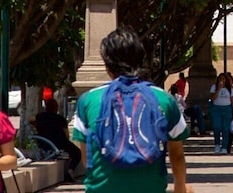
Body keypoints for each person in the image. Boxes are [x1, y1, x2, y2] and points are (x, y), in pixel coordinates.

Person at [70, 28, 192, 193]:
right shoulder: (164, 99)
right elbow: (177, 155)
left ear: (107, 64)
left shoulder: (88, 100)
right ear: (141, 59)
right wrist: (180, 187)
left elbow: (87, 158)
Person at [32, 100, 79, 171]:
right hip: (59, 144)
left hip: (44, 144)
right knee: (77, 152)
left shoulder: (40, 116)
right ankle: (70, 170)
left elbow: (30, 118)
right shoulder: (60, 118)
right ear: (56, 108)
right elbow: (67, 134)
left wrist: (36, 125)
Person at [208, 73, 233, 154]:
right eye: (220, 79)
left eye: (223, 79)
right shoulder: (214, 87)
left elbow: (232, 101)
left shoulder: (230, 89)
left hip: (227, 109)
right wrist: (218, 89)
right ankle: (217, 145)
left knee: (225, 129)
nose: (222, 80)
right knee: (217, 127)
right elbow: (212, 98)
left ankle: (224, 147)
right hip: (216, 109)